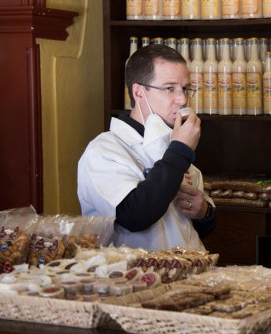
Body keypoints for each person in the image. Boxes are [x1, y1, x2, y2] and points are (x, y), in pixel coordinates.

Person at [78, 44, 215, 251]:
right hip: (135, 277)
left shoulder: (174, 145)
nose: (183, 99)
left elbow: (186, 229)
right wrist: (180, 151)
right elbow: (135, 216)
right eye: (169, 88)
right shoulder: (104, 150)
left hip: (188, 276)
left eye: (185, 88)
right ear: (139, 92)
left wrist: (203, 212)